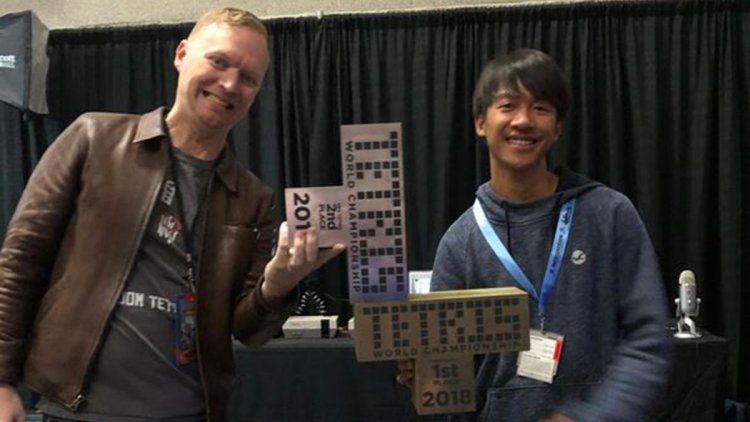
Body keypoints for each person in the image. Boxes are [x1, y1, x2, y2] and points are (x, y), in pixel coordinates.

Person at [0, 7, 344, 422]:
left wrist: (279, 283)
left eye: (248, 78)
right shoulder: (94, 138)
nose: (230, 84)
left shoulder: (253, 198)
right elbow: (21, 260)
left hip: (188, 412)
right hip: (76, 409)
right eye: (218, 61)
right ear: (181, 54)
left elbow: (248, 331)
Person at [398, 49, 672, 421]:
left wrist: (591, 417)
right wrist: (428, 378)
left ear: (557, 128)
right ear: (480, 122)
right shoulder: (461, 242)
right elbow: (452, 389)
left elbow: (648, 340)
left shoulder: (609, 215)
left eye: (541, 108)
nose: (524, 120)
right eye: (508, 106)